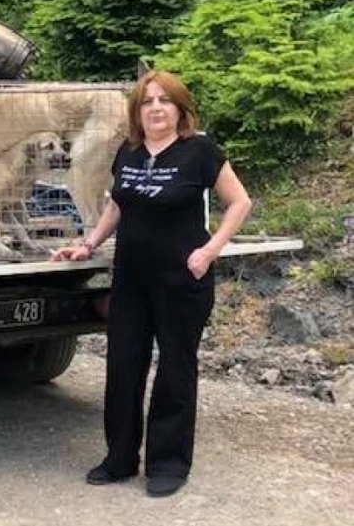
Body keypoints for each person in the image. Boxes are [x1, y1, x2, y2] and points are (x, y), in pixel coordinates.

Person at [51, 69, 252, 497]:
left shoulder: (199, 151)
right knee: (123, 366)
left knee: (175, 370)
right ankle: (119, 458)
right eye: (147, 101)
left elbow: (239, 202)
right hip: (131, 279)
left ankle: (168, 463)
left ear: (180, 109)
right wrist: (88, 245)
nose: (156, 108)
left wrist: (208, 251)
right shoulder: (129, 152)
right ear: (137, 112)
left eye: (164, 100)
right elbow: (117, 206)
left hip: (183, 279)